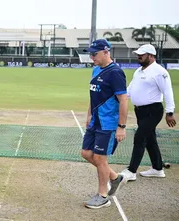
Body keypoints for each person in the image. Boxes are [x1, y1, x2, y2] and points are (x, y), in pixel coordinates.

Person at [81, 39, 128, 209]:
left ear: (106, 52)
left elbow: (123, 100)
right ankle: (115, 177)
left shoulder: (115, 73)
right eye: (90, 54)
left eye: (94, 54)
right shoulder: (95, 69)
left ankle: (103, 196)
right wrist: (88, 115)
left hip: (108, 124)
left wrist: (121, 127)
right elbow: (93, 96)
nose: (92, 57)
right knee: (86, 153)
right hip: (95, 121)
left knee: (100, 158)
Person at [120, 44, 176, 181]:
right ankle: (157, 169)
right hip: (140, 111)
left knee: (139, 137)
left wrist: (170, 112)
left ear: (151, 56)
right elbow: (131, 89)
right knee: (150, 140)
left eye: (142, 54)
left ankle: (131, 171)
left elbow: (168, 91)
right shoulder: (138, 71)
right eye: (138, 54)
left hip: (153, 110)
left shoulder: (159, 72)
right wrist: (120, 99)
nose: (138, 56)